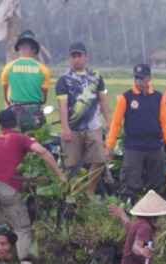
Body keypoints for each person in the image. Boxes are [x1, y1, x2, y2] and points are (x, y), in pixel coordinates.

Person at [0, 108, 64, 264]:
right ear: (16, 123)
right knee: (22, 228)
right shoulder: (20, 137)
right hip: (5, 188)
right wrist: (60, 175)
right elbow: (42, 151)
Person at [106, 63, 166, 199]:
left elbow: (164, 122)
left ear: (149, 78)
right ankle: (128, 209)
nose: (138, 82)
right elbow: (116, 124)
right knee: (131, 182)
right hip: (134, 147)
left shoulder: (158, 97)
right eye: (136, 78)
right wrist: (109, 146)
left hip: (155, 146)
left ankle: (153, 213)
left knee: (156, 182)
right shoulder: (126, 98)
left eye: (141, 78)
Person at [55, 42, 109, 194]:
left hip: (93, 127)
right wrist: (65, 128)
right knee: (71, 164)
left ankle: (89, 191)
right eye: (73, 56)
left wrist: (109, 121)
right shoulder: (63, 80)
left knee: (99, 159)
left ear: (86, 57)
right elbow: (62, 105)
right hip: (72, 129)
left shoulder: (96, 77)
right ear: (69, 58)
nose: (76, 59)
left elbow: (103, 101)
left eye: (79, 55)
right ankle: (73, 194)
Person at [0, 30, 51, 132]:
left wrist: (8, 101)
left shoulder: (8, 67)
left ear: (18, 48)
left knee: (15, 142)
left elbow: (5, 91)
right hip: (35, 112)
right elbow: (44, 95)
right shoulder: (43, 69)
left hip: (16, 112)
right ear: (34, 49)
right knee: (41, 141)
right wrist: (42, 100)